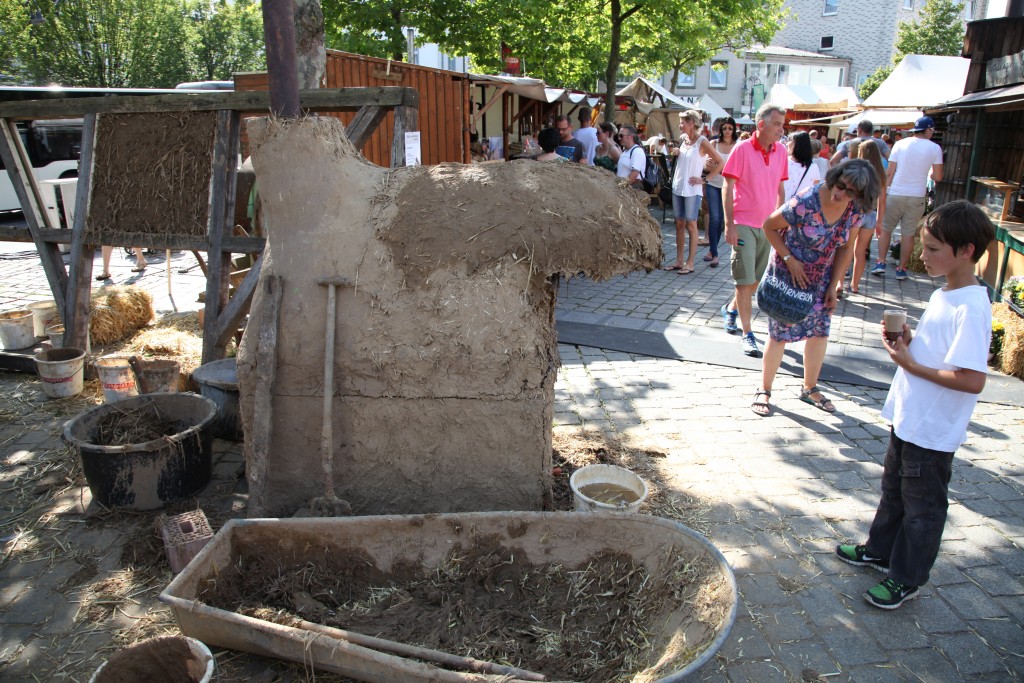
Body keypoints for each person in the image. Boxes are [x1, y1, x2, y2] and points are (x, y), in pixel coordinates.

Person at [836, 200, 994, 609]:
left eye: (933, 248)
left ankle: (907, 578)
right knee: (894, 491)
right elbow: (940, 353)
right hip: (910, 418)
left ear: (966, 251)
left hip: (933, 429)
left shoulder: (972, 306)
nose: (923, 255)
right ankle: (880, 551)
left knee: (922, 508)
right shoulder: (946, 292)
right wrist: (909, 341)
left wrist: (910, 364)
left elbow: (972, 379)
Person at [751, 159, 877, 418]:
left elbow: (846, 248)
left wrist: (835, 285)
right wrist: (789, 259)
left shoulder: (855, 209)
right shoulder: (807, 200)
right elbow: (769, 226)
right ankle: (764, 389)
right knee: (779, 334)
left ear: (860, 195)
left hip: (821, 279)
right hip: (789, 276)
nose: (841, 193)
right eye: (840, 185)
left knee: (819, 332)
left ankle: (809, 388)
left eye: (850, 191)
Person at [720, 102, 789, 358]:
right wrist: (729, 224)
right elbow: (727, 187)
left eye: (782, 125)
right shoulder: (742, 149)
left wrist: (780, 222)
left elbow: (780, 189)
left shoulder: (781, 151)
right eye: (777, 124)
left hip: (767, 226)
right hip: (743, 224)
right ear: (761, 124)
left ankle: (730, 309)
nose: (781, 130)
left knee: (755, 280)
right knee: (744, 280)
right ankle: (748, 334)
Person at [874, 116, 944, 280]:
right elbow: (938, 176)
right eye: (932, 130)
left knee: (886, 229)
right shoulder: (935, 148)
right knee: (908, 234)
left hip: (896, 192)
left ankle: (880, 263)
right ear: (928, 130)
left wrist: (883, 192)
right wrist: (929, 174)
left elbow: (890, 173)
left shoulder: (900, 144)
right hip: (916, 195)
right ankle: (902, 269)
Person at [665, 110, 723, 274]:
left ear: (692, 123)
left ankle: (690, 263)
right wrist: (676, 153)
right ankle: (679, 260)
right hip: (678, 186)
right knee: (679, 223)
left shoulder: (702, 141)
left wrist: (705, 179)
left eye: (683, 122)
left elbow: (720, 162)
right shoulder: (683, 140)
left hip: (692, 189)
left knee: (691, 224)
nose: (680, 125)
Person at [841, 141, 887, 295]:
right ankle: (855, 285)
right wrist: (879, 222)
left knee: (847, 249)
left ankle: (839, 283)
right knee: (860, 252)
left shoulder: (859, 169)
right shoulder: (880, 173)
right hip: (871, 214)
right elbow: (882, 200)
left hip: (855, 212)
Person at [702, 116, 739, 268]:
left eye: (730, 128)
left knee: (721, 220)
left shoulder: (738, 145)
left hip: (729, 187)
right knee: (715, 218)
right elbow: (706, 165)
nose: (727, 131)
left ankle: (712, 250)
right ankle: (715, 254)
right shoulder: (714, 143)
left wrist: (718, 168)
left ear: (734, 129)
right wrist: (711, 167)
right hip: (713, 184)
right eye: (724, 128)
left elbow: (738, 169)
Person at [782, 131, 821, 202]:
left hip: (793, 206)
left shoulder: (813, 167)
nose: (787, 143)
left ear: (797, 145)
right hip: (784, 205)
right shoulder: (783, 161)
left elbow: (815, 189)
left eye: (790, 140)